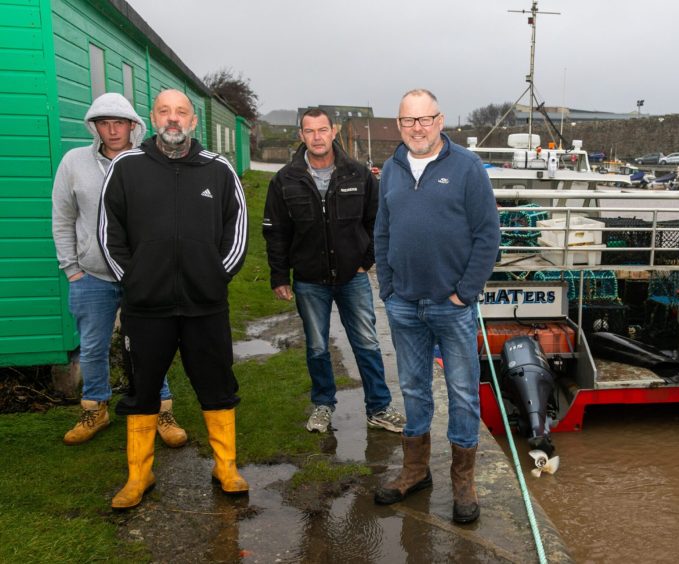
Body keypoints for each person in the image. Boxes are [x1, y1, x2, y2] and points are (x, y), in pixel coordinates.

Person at [98, 89, 248, 509]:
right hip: (146, 308)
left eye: (181, 112)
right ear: (152, 118)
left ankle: (226, 467)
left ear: (194, 121)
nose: (173, 119)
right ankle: (138, 477)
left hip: (205, 306)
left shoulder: (218, 169)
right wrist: (136, 281)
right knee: (142, 389)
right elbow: (110, 233)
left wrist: (216, 277)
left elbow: (237, 229)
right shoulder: (127, 167)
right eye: (165, 111)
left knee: (218, 385)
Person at [372, 89, 500, 523]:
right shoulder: (390, 170)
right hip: (404, 304)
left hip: (453, 306)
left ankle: (463, 481)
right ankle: (415, 470)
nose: (418, 128)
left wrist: (465, 292)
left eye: (425, 119)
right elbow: (382, 233)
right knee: (412, 388)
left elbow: (488, 235)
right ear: (399, 125)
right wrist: (387, 287)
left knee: (464, 393)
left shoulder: (467, 168)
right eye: (409, 121)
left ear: (441, 120)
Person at [52, 92, 187, 448]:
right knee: (93, 347)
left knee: (149, 345)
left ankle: (160, 409)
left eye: (119, 123)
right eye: (104, 123)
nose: (112, 131)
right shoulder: (73, 162)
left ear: (133, 125)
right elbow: (63, 218)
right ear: (94, 126)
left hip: (141, 276)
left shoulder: (149, 161)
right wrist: (72, 270)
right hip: (91, 275)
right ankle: (95, 408)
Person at [262, 109, 406, 434]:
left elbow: (378, 222)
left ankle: (379, 407)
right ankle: (323, 405)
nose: (316, 137)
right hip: (309, 280)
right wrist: (279, 275)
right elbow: (276, 232)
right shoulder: (285, 180)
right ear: (301, 135)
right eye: (309, 131)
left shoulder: (358, 174)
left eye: (322, 130)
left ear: (333, 132)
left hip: (352, 277)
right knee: (316, 346)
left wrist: (365, 260)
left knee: (367, 342)